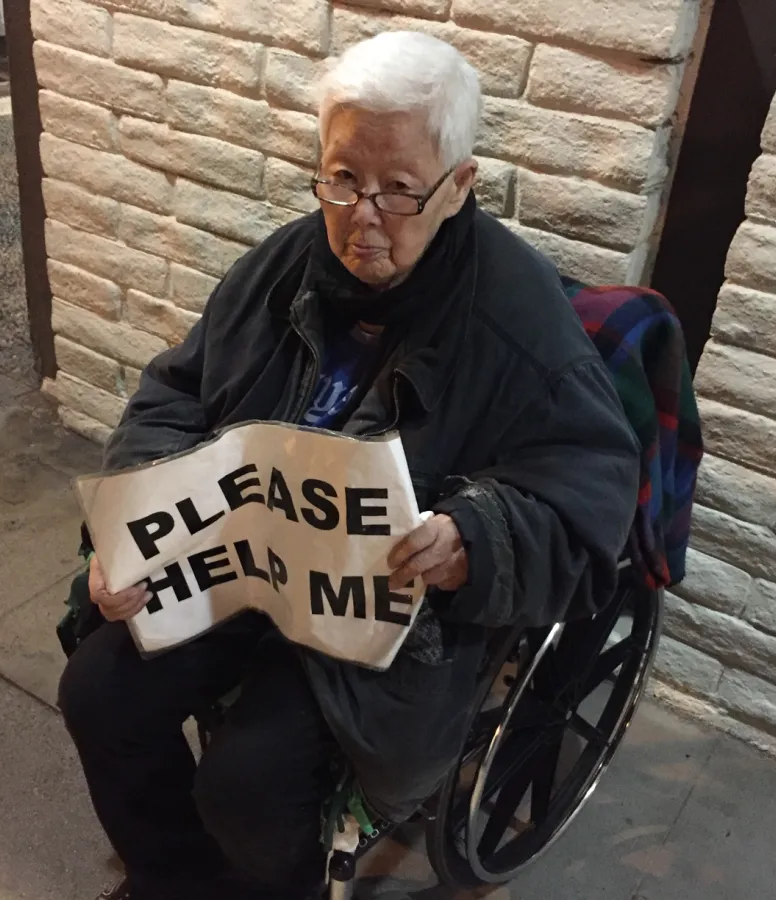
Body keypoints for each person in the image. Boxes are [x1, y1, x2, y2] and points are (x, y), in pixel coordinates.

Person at [57, 30, 641, 900]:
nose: (361, 217)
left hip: (384, 622)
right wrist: (131, 532)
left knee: (247, 786)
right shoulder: (285, 264)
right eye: (341, 179)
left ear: (460, 185)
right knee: (98, 694)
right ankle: (175, 881)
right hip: (238, 566)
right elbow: (175, 391)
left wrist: (475, 538)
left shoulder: (521, 325)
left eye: (399, 190)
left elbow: (586, 505)